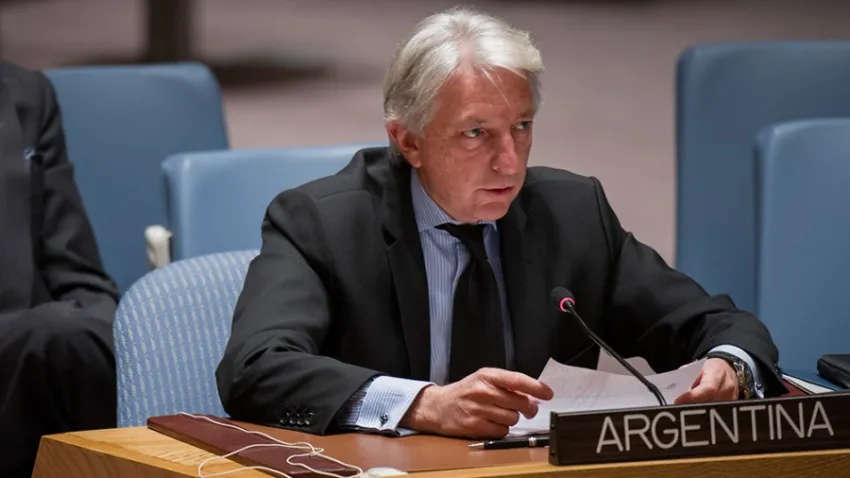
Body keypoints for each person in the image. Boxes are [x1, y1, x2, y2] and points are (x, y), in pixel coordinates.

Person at [216, 7, 785, 439]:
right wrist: (423, 404)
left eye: (521, 126)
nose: (510, 163)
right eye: (476, 133)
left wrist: (728, 364)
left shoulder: (572, 213)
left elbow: (716, 324)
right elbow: (254, 369)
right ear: (408, 141)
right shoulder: (322, 223)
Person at [0, 61, 118, 477]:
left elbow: (76, 270)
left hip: (29, 354)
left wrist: (120, 342)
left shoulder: (26, 94)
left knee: (75, 337)